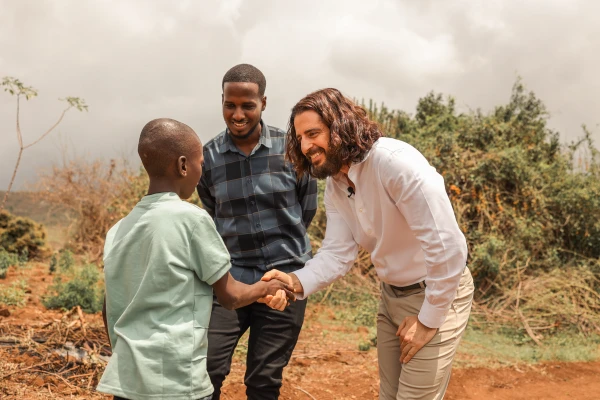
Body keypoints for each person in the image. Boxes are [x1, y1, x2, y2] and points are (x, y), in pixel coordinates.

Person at [262, 88, 474, 400]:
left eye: (313, 133)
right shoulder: (336, 187)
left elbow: (447, 247)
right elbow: (337, 254)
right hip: (390, 298)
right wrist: (294, 281)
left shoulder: (394, 163)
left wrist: (428, 321)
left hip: (437, 294)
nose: (306, 146)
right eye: (300, 138)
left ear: (339, 126)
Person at [97, 118, 293, 400]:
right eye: (200, 162)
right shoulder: (192, 220)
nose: (202, 172)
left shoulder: (117, 231)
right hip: (178, 382)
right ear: (183, 165)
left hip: (127, 381)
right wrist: (267, 288)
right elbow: (230, 296)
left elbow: (108, 308)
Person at [197, 64, 318, 400]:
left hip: (286, 280)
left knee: (264, 381)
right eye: (229, 105)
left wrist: (285, 257)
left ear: (263, 102)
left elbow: (306, 208)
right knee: (206, 371)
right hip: (230, 281)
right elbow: (211, 210)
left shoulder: (292, 149)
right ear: (221, 101)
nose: (237, 114)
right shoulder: (207, 158)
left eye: (247, 105)